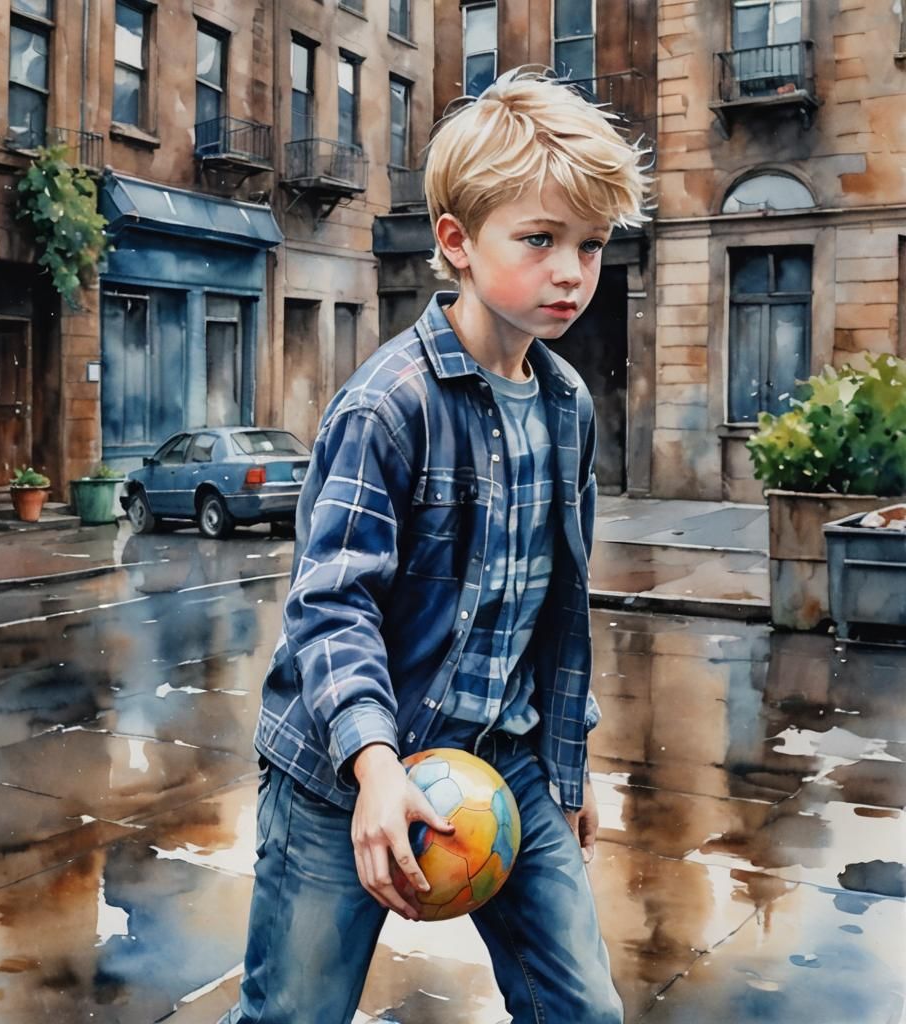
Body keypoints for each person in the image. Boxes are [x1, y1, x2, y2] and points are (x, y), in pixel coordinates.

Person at [224, 68, 652, 1024]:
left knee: (583, 1009)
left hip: (510, 765)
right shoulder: (389, 406)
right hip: (347, 773)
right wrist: (376, 767)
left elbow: (557, 613)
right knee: (293, 1013)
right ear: (456, 242)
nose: (571, 272)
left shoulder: (568, 407)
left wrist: (567, 775)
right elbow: (332, 605)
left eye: (589, 244)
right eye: (538, 240)